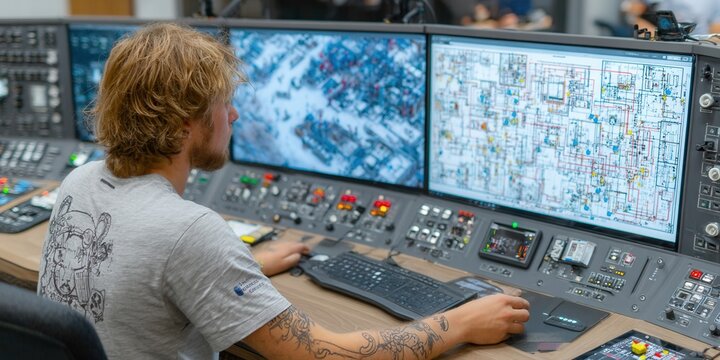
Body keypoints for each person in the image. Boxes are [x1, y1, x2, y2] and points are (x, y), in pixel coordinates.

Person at [37, 23, 530, 359]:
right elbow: (324, 353)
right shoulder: (187, 233)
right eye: (222, 105)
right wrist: (460, 324)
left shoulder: (81, 182)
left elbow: (143, 273)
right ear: (186, 126)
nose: (232, 116)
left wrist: (242, 264)